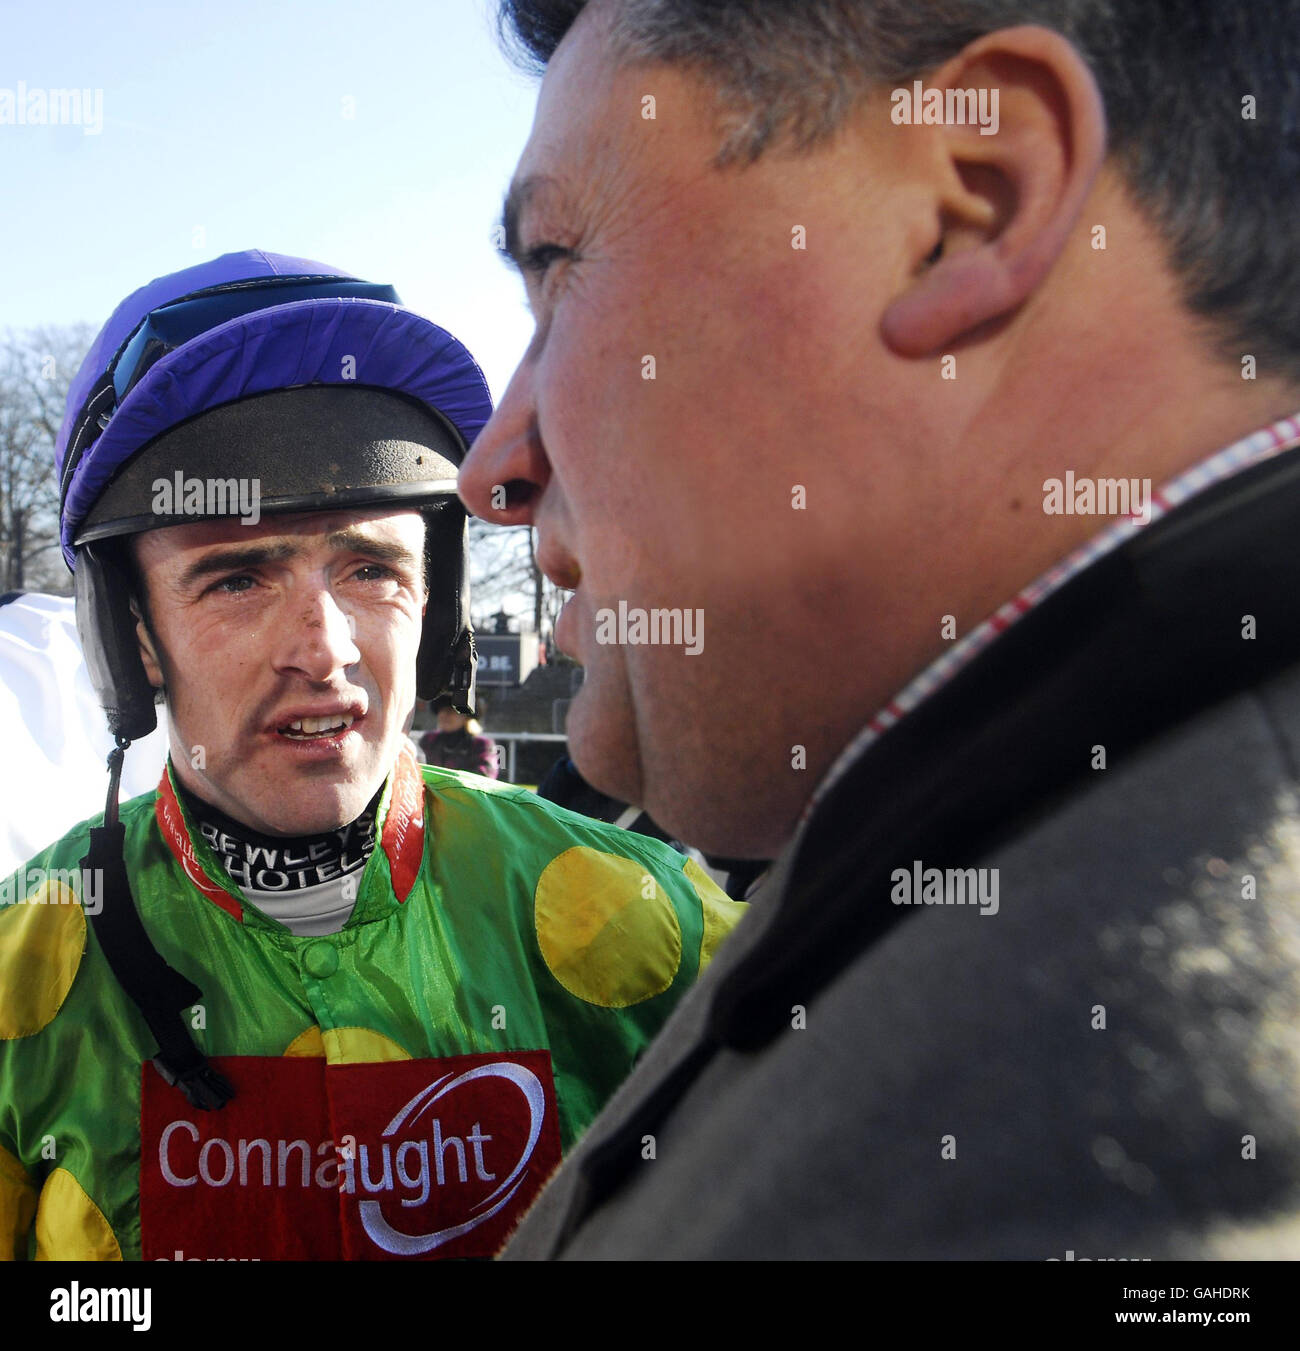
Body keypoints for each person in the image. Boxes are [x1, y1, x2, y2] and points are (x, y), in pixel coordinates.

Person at [458, 2, 1300, 1258]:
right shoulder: (1066, 895)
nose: (492, 467)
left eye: (559, 258)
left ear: (969, 202)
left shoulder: (1111, 1158)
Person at [0, 249, 744, 1261]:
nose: (327, 649)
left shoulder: (668, 933)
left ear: (433, 607)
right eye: (237, 580)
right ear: (132, 637)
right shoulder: (17, 976)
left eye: (369, 568)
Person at [418, 694, 500, 778]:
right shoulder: (429, 740)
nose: (444, 715)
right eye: (441, 710)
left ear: (467, 716)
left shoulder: (481, 744)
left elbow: (485, 776)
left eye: (451, 711)